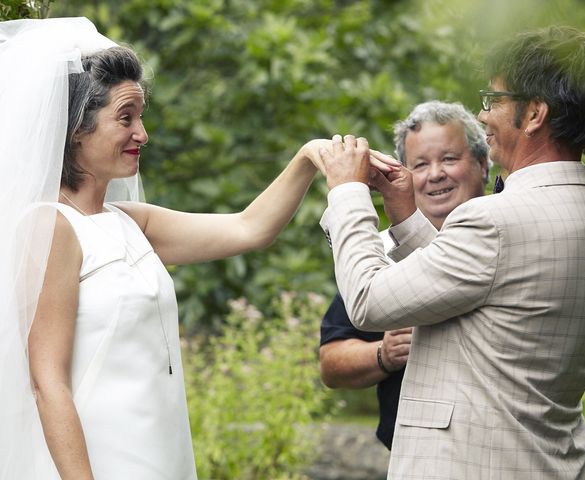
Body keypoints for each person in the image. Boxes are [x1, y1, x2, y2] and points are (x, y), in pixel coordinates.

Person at [0, 18, 394, 480]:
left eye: (141, 117)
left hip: (157, 448)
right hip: (98, 459)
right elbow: (48, 383)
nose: (142, 134)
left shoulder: (130, 221)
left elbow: (249, 228)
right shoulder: (50, 226)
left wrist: (310, 155)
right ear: (76, 130)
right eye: (125, 117)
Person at [317, 25, 585, 479]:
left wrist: (346, 193)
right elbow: (484, 292)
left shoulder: (493, 220)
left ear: (535, 113)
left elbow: (366, 299)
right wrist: (404, 213)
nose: (484, 117)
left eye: (493, 100)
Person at [319, 100, 490, 450]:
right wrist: (383, 354)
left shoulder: (511, 229)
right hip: (411, 454)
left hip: (495, 444)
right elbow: (331, 362)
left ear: (483, 164)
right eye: (420, 165)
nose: (435, 174)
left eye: (449, 159)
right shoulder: (377, 253)